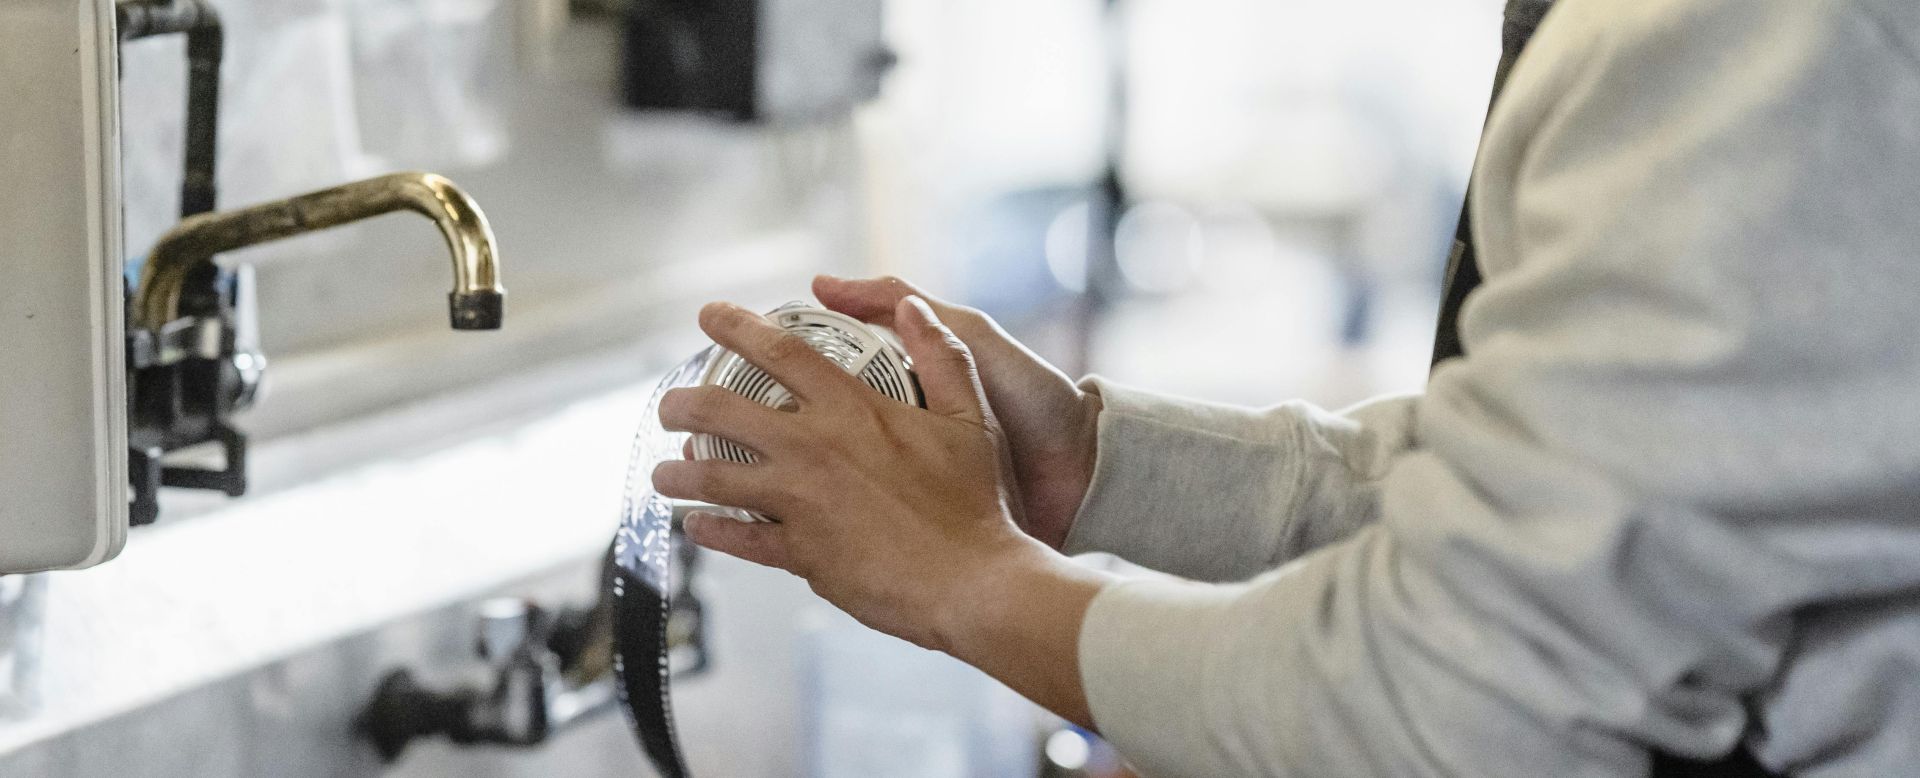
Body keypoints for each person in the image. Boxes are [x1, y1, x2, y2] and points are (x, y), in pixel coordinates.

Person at [650, 0, 1920, 774]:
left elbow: (1455, 713)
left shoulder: (1758, 34)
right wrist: (1087, 464)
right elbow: (1592, 490)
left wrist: (970, 580)